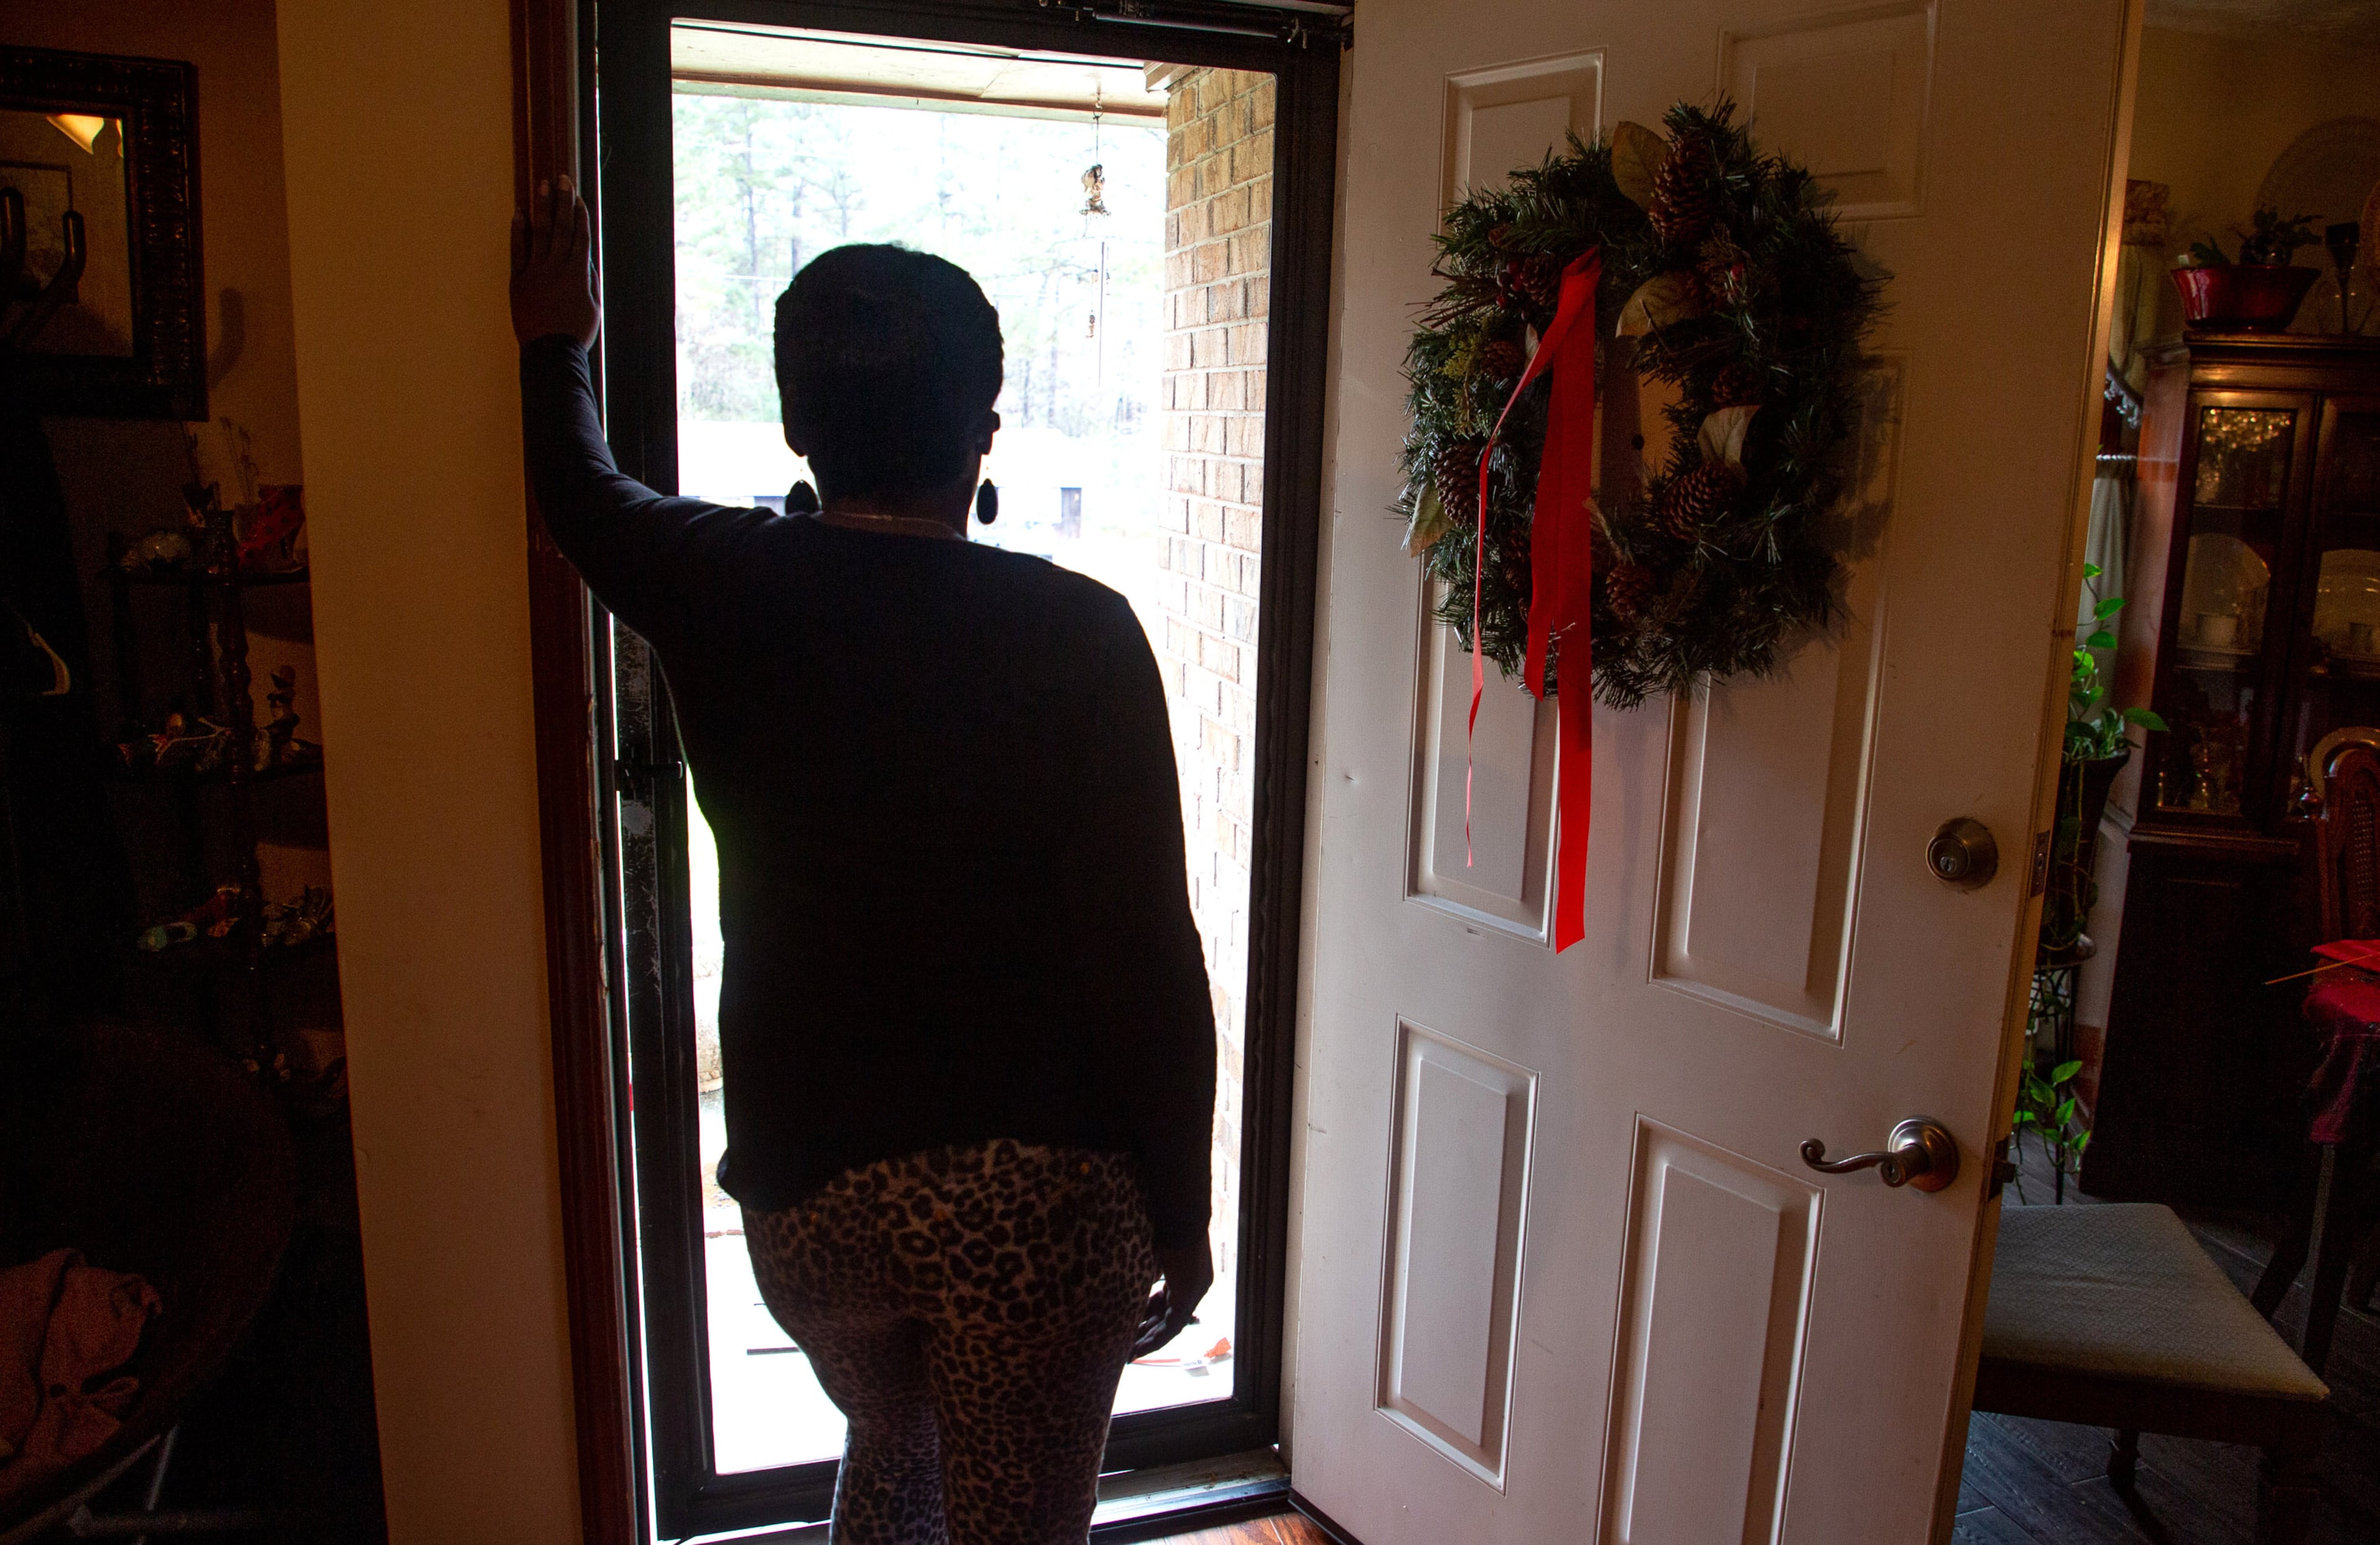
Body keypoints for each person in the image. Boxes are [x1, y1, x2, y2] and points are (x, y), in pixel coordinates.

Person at [511, 177, 1216, 1544]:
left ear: (795, 425)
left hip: (811, 1206)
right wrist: (1181, 1212)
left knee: (898, 1440)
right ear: (985, 431)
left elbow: (580, 495)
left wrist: (556, 341)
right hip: (1042, 1203)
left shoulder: (717, 576)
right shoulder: (1084, 635)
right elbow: (1146, 951)